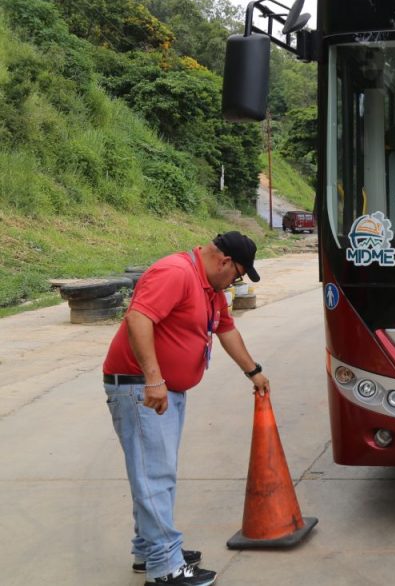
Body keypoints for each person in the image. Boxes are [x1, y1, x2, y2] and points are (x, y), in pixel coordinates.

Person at [102, 231, 270, 586]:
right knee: (155, 477)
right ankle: (164, 567)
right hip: (141, 389)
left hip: (163, 390)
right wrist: (153, 379)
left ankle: (149, 550)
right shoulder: (176, 273)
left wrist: (253, 371)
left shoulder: (211, 289)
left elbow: (225, 330)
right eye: (238, 274)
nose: (235, 281)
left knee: (155, 474)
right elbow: (138, 319)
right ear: (224, 262)